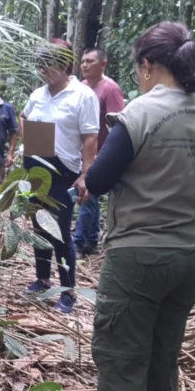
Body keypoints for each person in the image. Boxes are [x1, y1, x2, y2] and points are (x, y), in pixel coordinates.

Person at [65, 22, 195, 391]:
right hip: (190, 256)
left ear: (147, 65)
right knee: (162, 359)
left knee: (122, 362)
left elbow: (97, 181)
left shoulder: (140, 113)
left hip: (138, 255)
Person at [13, 39, 99, 314]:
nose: (41, 68)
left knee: (60, 233)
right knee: (39, 225)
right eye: (39, 63)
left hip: (64, 172)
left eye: (46, 63)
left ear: (63, 64)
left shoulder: (82, 95)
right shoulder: (39, 94)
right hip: (37, 167)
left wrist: (86, 174)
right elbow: (23, 116)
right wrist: (32, 140)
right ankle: (41, 278)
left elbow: (90, 138)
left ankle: (67, 291)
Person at [75, 48, 125, 255]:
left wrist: (108, 155)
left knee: (87, 193)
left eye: (90, 61)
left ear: (102, 65)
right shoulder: (82, 87)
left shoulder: (110, 89)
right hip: (82, 151)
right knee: (90, 195)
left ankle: (78, 241)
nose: (85, 65)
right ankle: (91, 240)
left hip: (101, 152)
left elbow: (119, 123)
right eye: (83, 61)